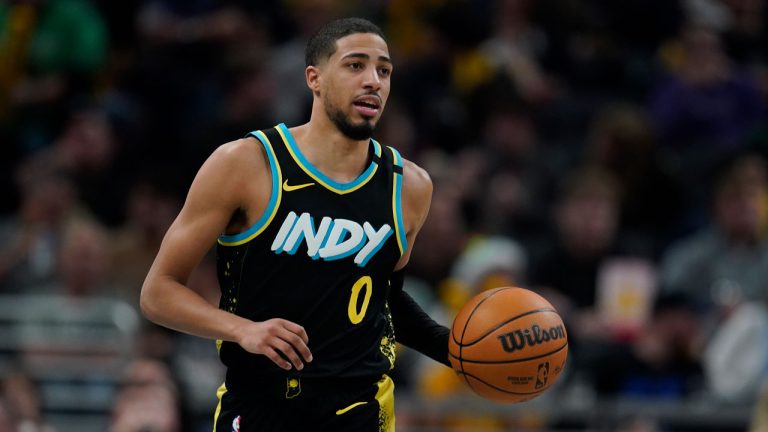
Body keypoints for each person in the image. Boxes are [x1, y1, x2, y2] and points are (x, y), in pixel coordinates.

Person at [140, 17, 450, 431]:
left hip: (359, 409)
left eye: (384, 70)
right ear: (314, 78)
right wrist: (243, 330)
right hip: (259, 404)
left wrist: (457, 351)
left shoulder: (409, 186)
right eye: (355, 65)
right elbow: (157, 292)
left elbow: (385, 299)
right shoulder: (245, 163)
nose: (373, 81)